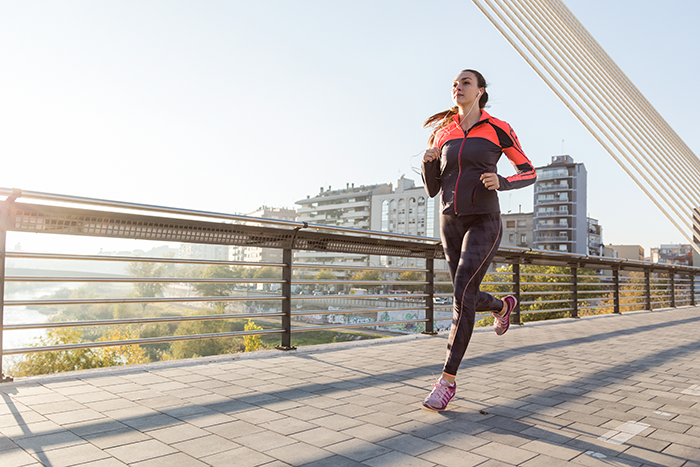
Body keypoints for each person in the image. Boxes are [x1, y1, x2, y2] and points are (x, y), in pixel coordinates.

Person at [421, 69, 536, 411]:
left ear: (480, 91)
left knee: (461, 292)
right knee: (465, 292)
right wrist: (428, 165)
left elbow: (528, 170)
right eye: (455, 83)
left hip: (485, 219)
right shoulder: (443, 134)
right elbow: (432, 189)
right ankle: (502, 306)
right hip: (449, 222)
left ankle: (447, 381)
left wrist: (503, 181)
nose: (458, 86)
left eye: (465, 82)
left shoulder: (498, 128)